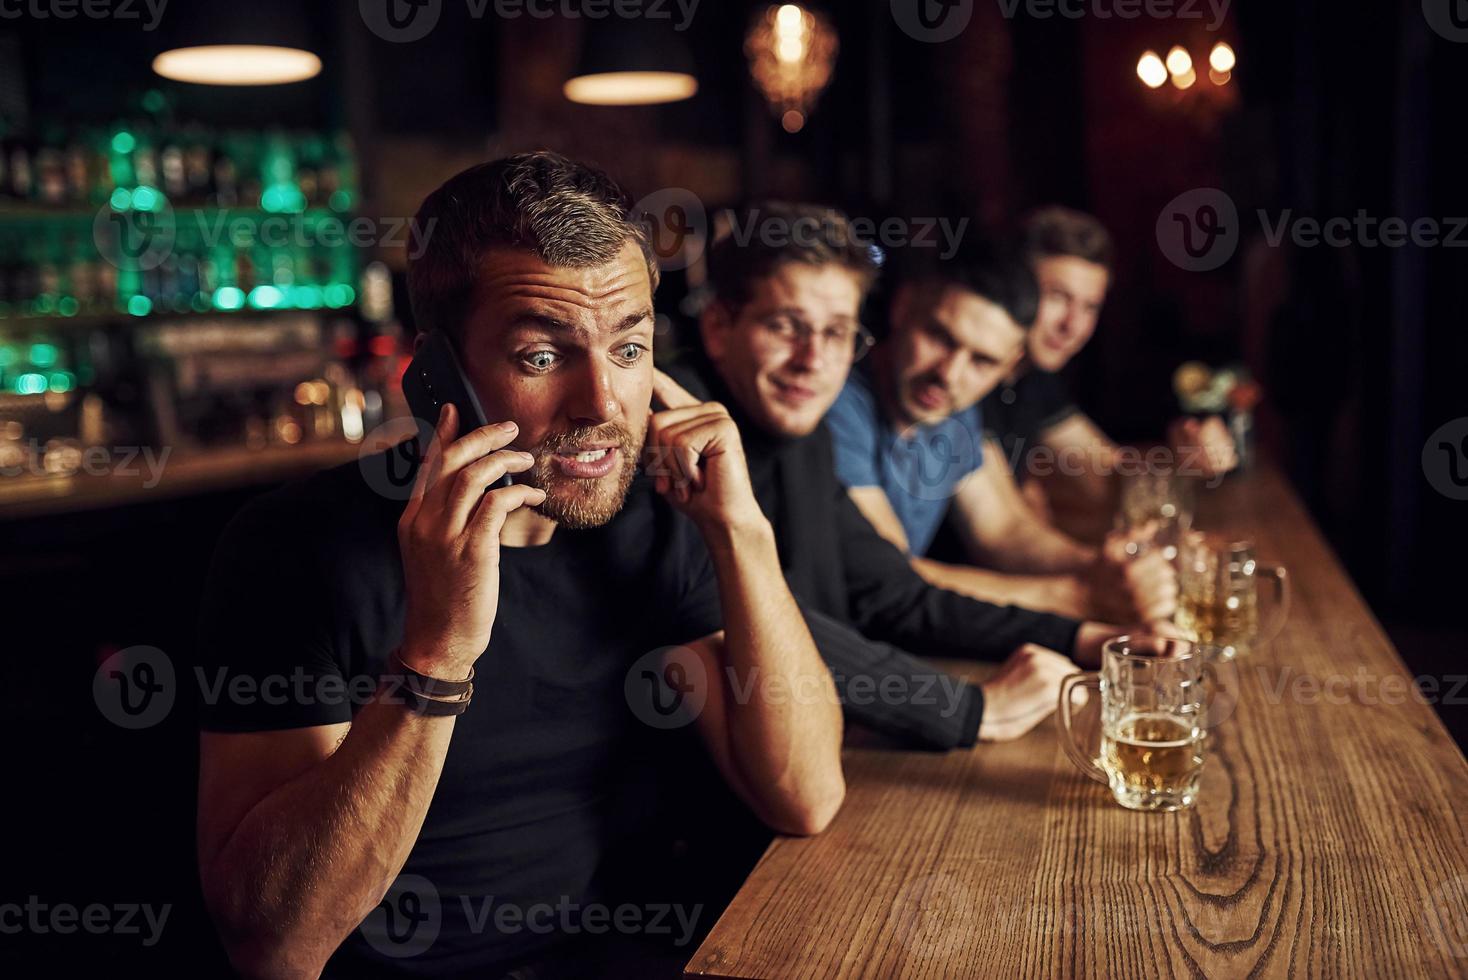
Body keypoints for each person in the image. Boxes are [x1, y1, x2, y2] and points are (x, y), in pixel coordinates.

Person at [193, 154, 845, 978]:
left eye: (630, 347)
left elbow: (805, 793)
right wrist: (435, 656)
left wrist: (741, 531)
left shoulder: (657, 518)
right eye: (542, 357)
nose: (603, 407)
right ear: (438, 376)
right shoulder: (292, 548)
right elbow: (274, 943)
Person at [667, 202, 1149, 753]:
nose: (813, 360)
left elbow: (891, 592)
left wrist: (1084, 638)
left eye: (837, 333)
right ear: (718, 327)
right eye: (784, 326)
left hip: (812, 741)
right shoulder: (676, 430)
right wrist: (970, 708)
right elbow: (742, 618)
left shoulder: (799, 430)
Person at [824, 241, 1176, 623]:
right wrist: (1075, 597)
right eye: (940, 337)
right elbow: (893, 577)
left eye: (982, 360)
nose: (949, 373)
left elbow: (1004, 532)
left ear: (1008, 363)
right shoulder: (837, 401)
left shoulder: (954, 406)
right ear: (903, 305)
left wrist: (1106, 568)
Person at [982, 206, 1237, 528]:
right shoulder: (967, 379)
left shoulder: (1033, 376)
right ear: (1016, 286)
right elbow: (1003, 535)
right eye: (1058, 297)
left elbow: (1105, 478)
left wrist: (1185, 460)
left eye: (1089, 307)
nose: (1073, 326)